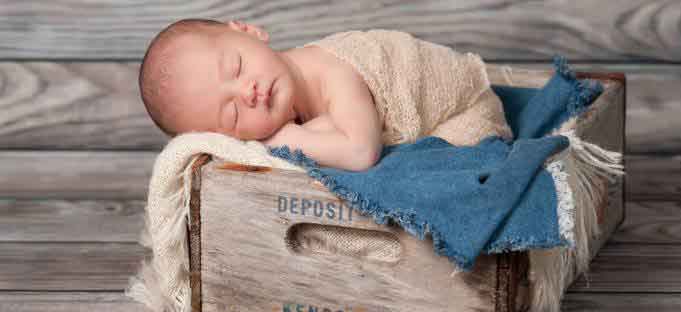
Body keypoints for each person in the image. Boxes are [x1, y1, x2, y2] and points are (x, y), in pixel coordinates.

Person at [139, 19, 512, 171]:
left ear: (250, 31)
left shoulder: (333, 71)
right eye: (233, 115)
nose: (247, 92)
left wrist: (287, 137)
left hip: (468, 109)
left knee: (434, 176)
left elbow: (361, 153)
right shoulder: (292, 101)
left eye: (236, 67)